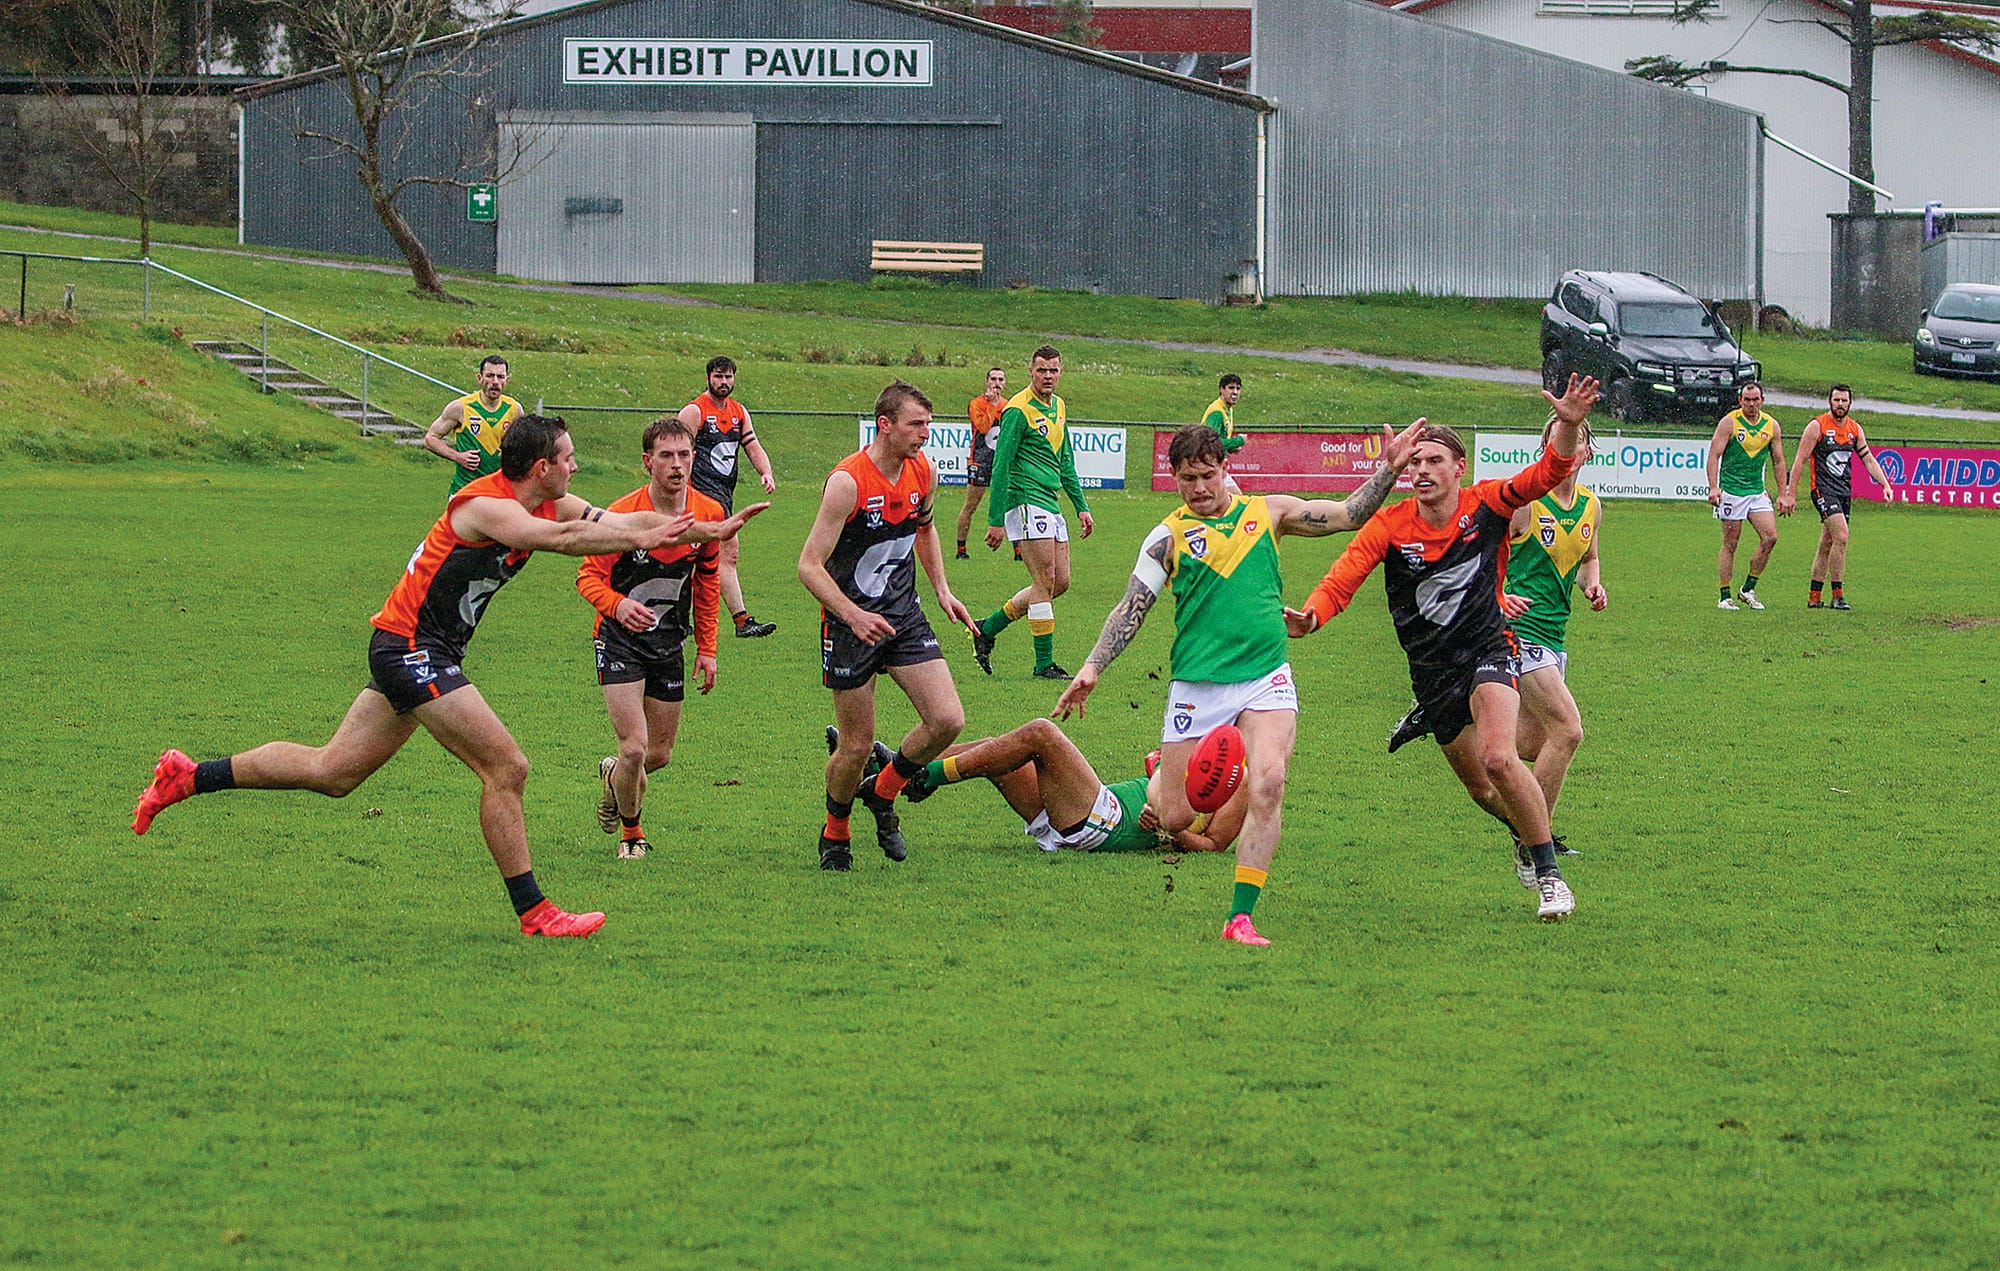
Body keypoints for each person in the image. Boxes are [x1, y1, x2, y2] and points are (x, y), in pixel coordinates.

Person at [131, 416, 766, 937]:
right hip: (411, 648)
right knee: (507, 768)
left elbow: (620, 523)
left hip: (416, 648)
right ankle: (536, 913)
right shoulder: (486, 507)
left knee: (334, 772)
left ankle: (189, 776)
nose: (575, 467)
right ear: (540, 467)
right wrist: (641, 533)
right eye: (568, 459)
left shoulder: (543, 497)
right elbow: (568, 540)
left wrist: (710, 528)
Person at [1053, 420, 1422, 946]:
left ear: (1225, 468)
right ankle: (1160, 772)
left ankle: (1240, 918)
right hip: (1197, 687)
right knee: (1175, 814)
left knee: (1269, 781)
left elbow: (1348, 515)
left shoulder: (1268, 512)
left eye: (1207, 475)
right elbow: (1131, 607)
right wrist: (1092, 666)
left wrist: (1388, 469)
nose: (1199, 488)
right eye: (1187, 479)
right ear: (1175, 478)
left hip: (1265, 678)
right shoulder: (1167, 537)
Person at [1285, 375, 1600, 924]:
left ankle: (1549, 875)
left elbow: (1549, 472)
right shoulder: (1390, 524)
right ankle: (1528, 836)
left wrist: (1568, 426)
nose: (1423, 470)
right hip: (1432, 673)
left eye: (1434, 461)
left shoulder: (1489, 503)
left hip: (1490, 648)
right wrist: (1313, 615)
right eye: (1415, 463)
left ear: (1459, 468)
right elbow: (1343, 577)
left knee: (1500, 757)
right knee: (1483, 790)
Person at [798, 381, 975, 871]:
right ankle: (835, 832)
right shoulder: (848, 482)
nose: (925, 434)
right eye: (916, 425)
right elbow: (809, 565)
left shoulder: (924, 470)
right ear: (885, 425)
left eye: (928, 425)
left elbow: (925, 529)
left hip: (902, 614)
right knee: (855, 745)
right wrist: (852, 615)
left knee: (947, 719)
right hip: (850, 624)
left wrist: (942, 590)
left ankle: (882, 790)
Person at [578, 416, 726, 860]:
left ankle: (613, 778)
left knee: (657, 756)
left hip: (668, 644)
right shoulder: (622, 514)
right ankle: (632, 834)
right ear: (648, 462)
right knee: (634, 748)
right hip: (619, 640)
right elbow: (588, 576)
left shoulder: (708, 514)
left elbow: (708, 583)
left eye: (684, 455)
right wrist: (617, 605)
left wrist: (707, 648)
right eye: (666, 456)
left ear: (694, 458)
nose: (676, 465)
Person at [878, 717, 1250, 855]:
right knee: (998, 750)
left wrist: (1171, 830)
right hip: (1079, 813)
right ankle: (899, 771)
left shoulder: (1242, 777)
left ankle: (924, 777)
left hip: (1106, 824)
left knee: (1042, 734)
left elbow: (1215, 845)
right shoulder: (1201, 740)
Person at [1499, 414, 1607, 842]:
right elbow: (1483, 556)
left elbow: (1588, 559)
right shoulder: (1527, 502)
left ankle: (1449, 715)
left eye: (1572, 439)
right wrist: (1498, 596)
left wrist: (1594, 585)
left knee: (1533, 742)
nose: (1563, 448)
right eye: (1554, 441)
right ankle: (1535, 840)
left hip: (1554, 635)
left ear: (1587, 451)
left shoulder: (1591, 506)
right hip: (1519, 633)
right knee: (1568, 730)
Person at [973, 345, 1095, 680]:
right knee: (1044, 580)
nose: (1048, 376)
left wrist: (1081, 507)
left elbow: (1065, 461)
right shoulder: (1017, 410)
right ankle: (1044, 665)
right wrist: (996, 520)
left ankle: (987, 628)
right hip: (1026, 499)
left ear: (1061, 372)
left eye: (1053, 370)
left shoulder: (1059, 406)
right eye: (1042, 370)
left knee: (1060, 582)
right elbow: (1001, 465)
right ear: (1031, 372)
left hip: (1050, 500)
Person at [678, 355, 779, 637]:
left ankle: (732, 621)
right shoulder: (695, 411)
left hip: (723, 496)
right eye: (718, 376)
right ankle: (738, 620)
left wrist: (766, 472)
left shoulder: (739, 412)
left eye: (728, 376)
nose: (724, 382)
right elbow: (678, 453)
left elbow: (752, 445)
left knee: (714, 557)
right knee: (704, 556)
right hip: (698, 496)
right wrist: (681, 492)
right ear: (708, 378)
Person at [1783, 384, 1896, 610]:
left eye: (1844, 400)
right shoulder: (1817, 426)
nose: (1840, 404)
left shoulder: (1855, 429)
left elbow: (1868, 459)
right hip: (1822, 491)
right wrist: (1790, 494)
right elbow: (1800, 460)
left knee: (1827, 543)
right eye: (1837, 400)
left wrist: (1885, 484)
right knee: (1842, 536)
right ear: (1830, 401)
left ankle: (1814, 597)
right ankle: (1838, 595)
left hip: (1843, 492)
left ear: (1850, 403)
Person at [1706, 381, 1787, 611]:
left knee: (1770, 537)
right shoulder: (1729, 422)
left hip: (1756, 491)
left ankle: (1748, 589)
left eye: (1755, 400)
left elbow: (1778, 461)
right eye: (1747, 400)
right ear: (1740, 400)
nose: (1751, 404)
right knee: (1731, 543)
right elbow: (1714, 454)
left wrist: (1783, 493)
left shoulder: (1771, 425)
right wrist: (1714, 487)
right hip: (1732, 491)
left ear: (1762, 400)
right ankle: (1725, 596)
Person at [421, 354, 523, 496]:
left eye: (500, 377)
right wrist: (457, 456)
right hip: (465, 490)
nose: (495, 381)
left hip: (500, 492)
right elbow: (430, 438)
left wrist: (513, 453)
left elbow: (525, 445)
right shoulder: (460, 407)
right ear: (480, 378)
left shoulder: (514, 409)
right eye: (490, 376)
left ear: (507, 380)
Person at [955, 366, 1008, 559]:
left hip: (1001, 461)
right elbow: (984, 427)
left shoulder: (1008, 405)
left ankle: (1018, 550)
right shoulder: (977, 404)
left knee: (1011, 503)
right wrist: (992, 405)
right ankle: (961, 549)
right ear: (987, 382)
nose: (997, 383)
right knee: (970, 506)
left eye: (1000, 379)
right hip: (980, 460)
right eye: (993, 379)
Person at [1201, 373, 1247, 454]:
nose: (1235, 392)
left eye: (1238, 388)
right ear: (1221, 389)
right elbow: (1211, 443)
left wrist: (1230, 448)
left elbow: (1221, 439)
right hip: (1207, 460)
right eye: (1231, 388)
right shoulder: (1217, 412)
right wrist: (1237, 441)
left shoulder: (1228, 409)